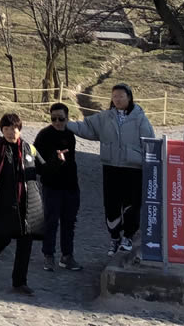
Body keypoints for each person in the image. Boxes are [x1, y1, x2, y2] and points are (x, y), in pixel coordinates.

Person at [65, 83, 156, 254]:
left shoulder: (140, 118)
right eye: (114, 96)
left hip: (133, 169)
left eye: (121, 96)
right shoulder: (105, 117)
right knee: (111, 205)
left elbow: (150, 141)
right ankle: (114, 238)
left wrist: (150, 164)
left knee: (132, 205)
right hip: (111, 167)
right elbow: (86, 128)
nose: (118, 99)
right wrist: (65, 124)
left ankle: (128, 237)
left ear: (129, 97)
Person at [0, 112, 61, 296]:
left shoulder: (29, 149)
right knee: (1, 238)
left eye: (14, 128)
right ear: (2, 130)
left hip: (28, 205)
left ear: (20, 129)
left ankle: (19, 282)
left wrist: (57, 161)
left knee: (25, 244)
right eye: (7, 129)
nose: (11, 132)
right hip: (4, 203)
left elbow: (45, 170)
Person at [33, 102, 83, 272]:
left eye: (60, 118)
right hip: (51, 186)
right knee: (51, 221)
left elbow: (72, 161)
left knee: (69, 222)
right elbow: (37, 164)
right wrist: (55, 160)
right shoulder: (44, 135)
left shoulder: (70, 135)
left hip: (70, 186)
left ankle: (67, 256)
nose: (57, 122)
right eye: (53, 118)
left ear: (67, 118)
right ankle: (48, 255)